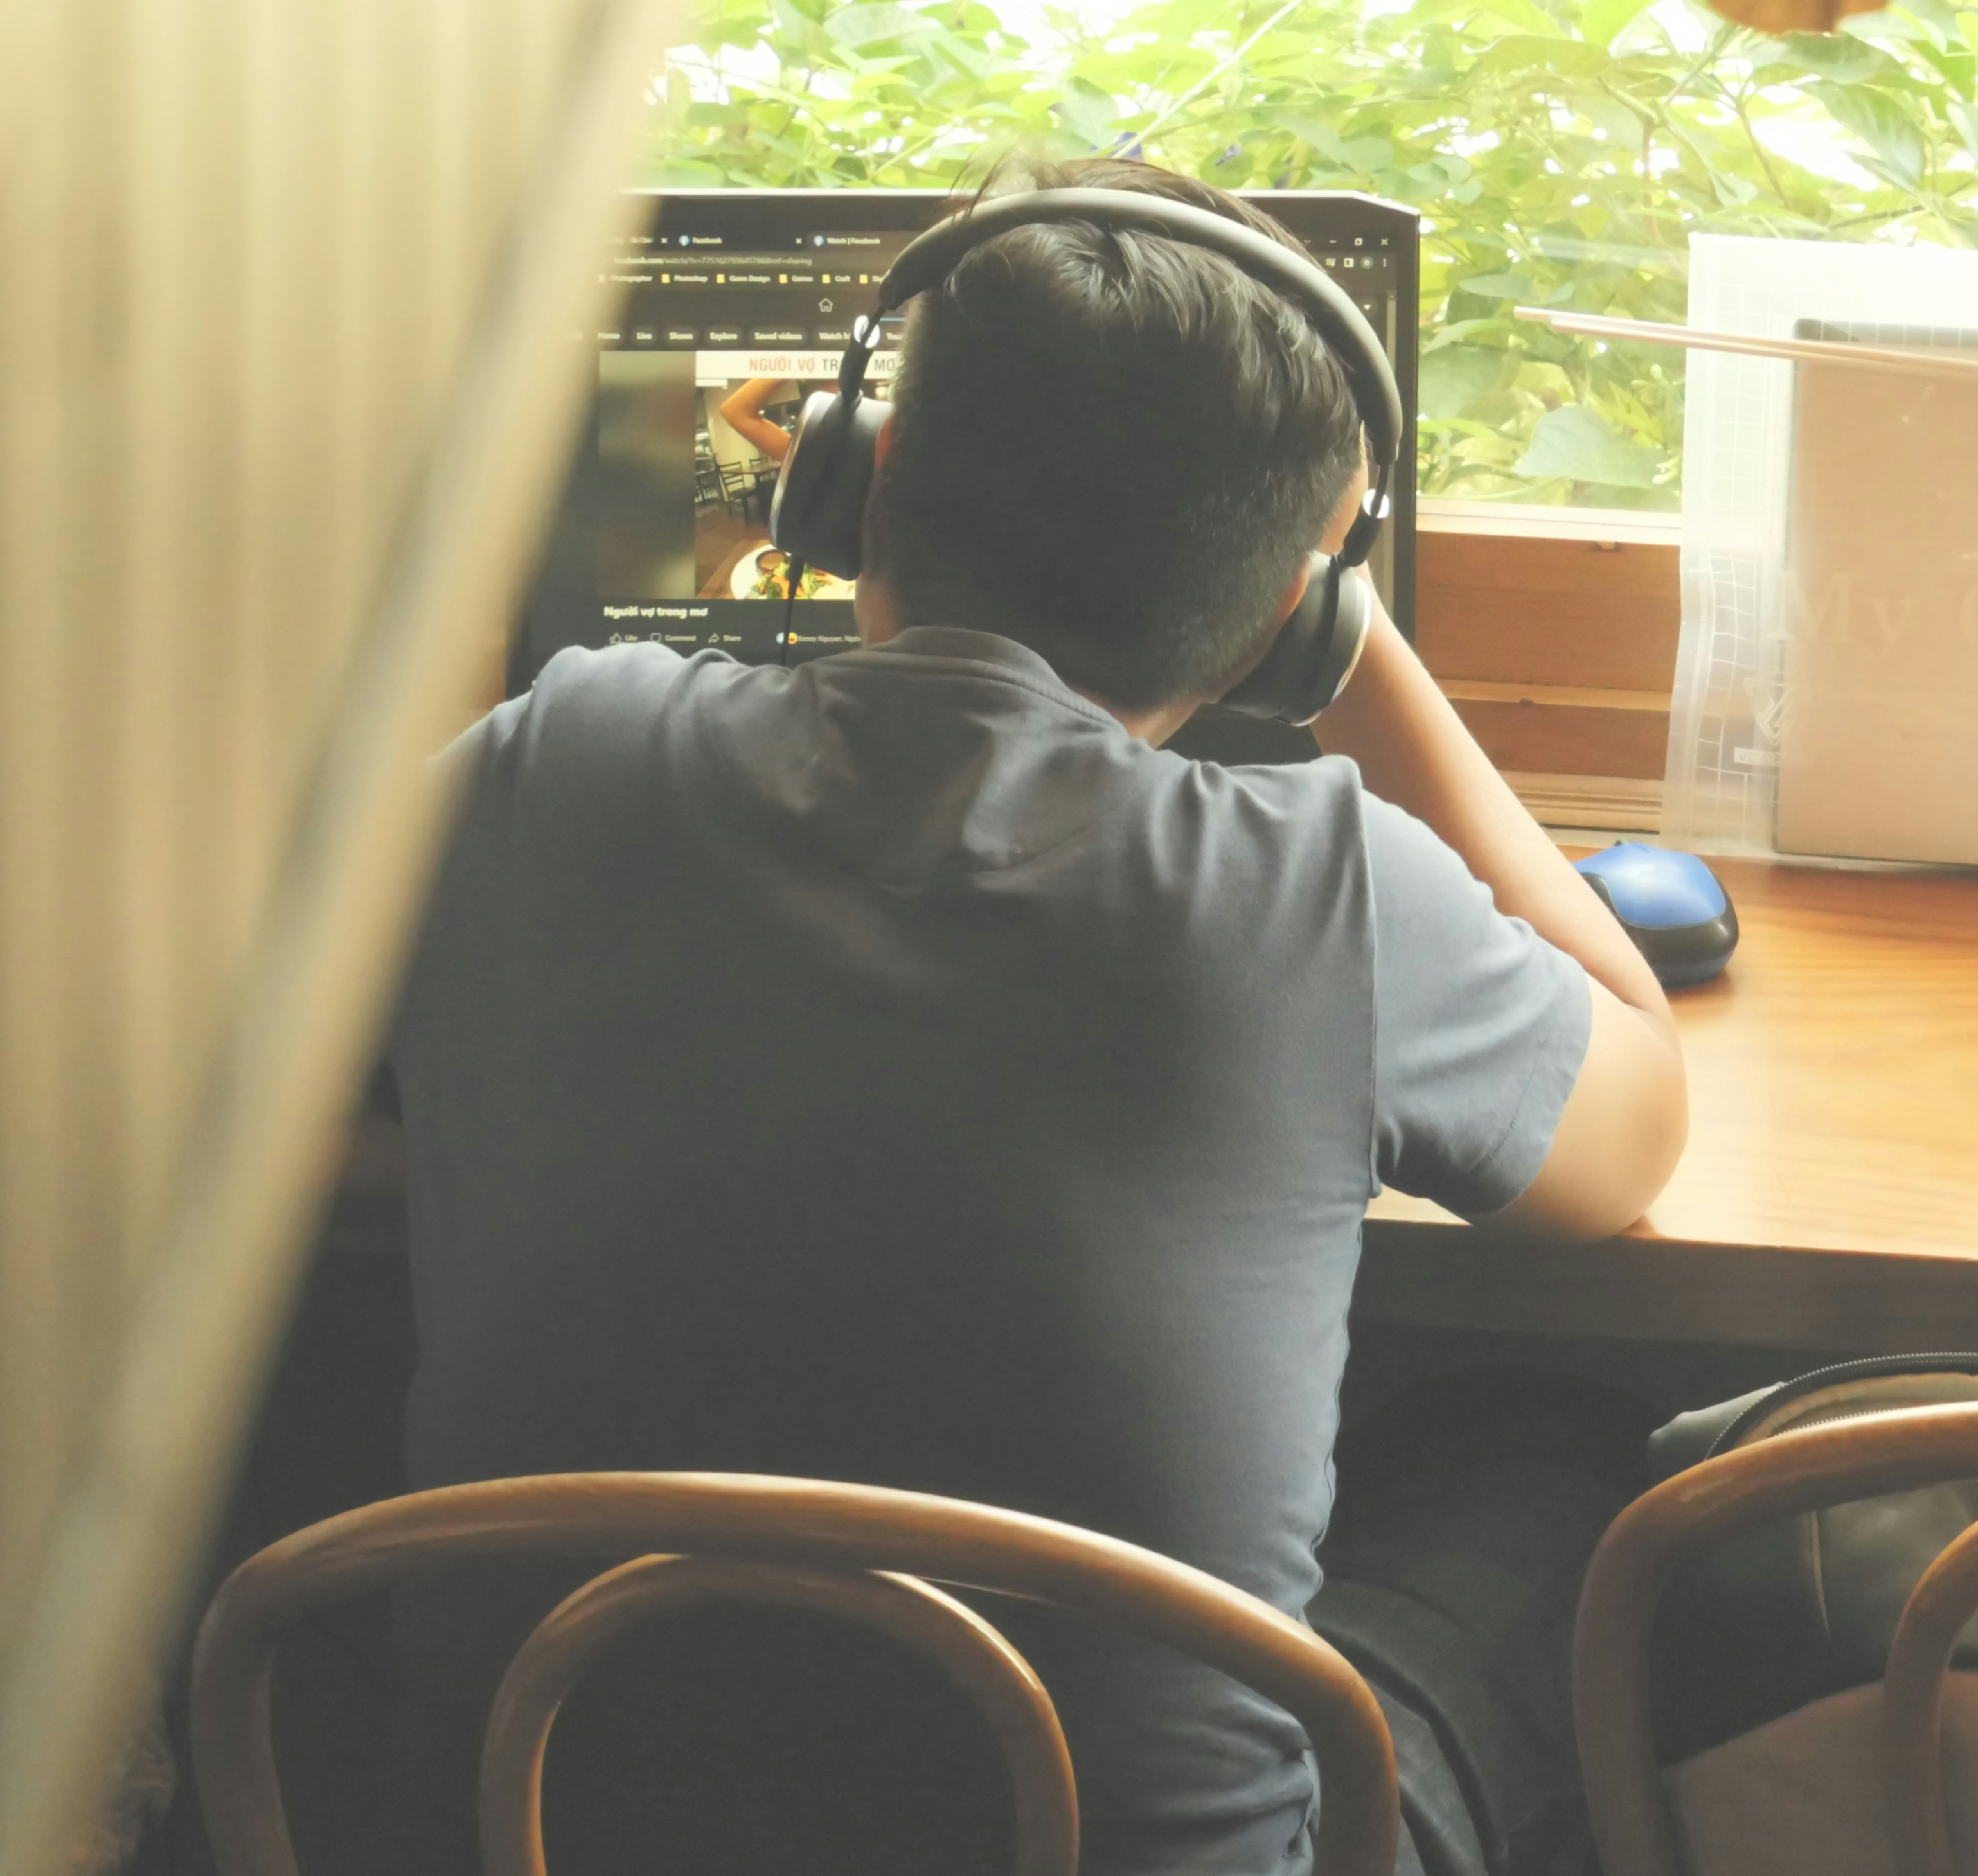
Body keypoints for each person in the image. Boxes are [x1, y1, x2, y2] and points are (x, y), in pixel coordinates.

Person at [370, 155, 1688, 1875]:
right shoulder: (1332, 894)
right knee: (1560, 1462)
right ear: (1290, 621)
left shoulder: (550, 761)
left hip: (525, 1836)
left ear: (851, 480)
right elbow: (1634, 1138)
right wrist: (1350, 641)